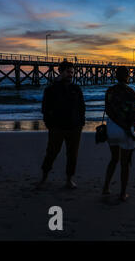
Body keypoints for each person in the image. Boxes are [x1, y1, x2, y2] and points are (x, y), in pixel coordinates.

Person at [38, 61, 86, 189]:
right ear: (60, 72)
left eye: (72, 72)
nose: (70, 74)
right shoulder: (51, 89)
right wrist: (49, 124)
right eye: (68, 72)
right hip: (57, 127)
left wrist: (81, 123)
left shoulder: (76, 89)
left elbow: (82, 107)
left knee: (72, 155)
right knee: (51, 152)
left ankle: (69, 180)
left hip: (74, 127)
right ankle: (44, 178)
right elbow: (45, 108)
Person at [102, 66, 135, 201]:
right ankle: (123, 193)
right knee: (125, 163)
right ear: (127, 76)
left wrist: (117, 121)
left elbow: (108, 110)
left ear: (115, 76)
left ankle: (106, 187)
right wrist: (128, 125)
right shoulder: (131, 92)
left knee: (113, 159)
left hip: (111, 129)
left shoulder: (109, 91)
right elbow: (134, 112)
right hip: (125, 131)